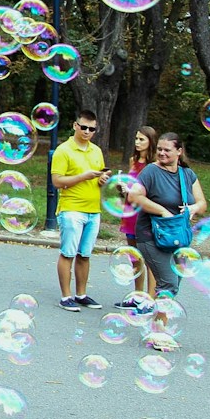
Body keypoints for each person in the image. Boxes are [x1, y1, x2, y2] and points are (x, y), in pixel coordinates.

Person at [128, 132, 207, 350]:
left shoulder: (187, 174)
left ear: (179, 152)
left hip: (178, 237)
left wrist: (193, 208)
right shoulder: (151, 171)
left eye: (167, 150)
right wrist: (161, 210)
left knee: (172, 285)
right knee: (168, 282)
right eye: (160, 149)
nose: (162, 153)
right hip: (150, 236)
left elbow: (202, 203)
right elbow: (134, 196)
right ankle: (158, 334)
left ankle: (158, 326)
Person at [51, 110, 108, 311]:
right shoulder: (63, 150)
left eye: (91, 129)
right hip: (71, 209)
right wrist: (84, 176)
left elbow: (98, 177)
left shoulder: (96, 151)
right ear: (75, 125)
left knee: (85, 254)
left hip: (93, 210)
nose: (87, 131)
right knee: (68, 253)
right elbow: (57, 182)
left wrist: (101, 180)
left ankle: (81, 294)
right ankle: (66, 296)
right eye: (83, 127)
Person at [114, 125, 158, 312]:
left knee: (149, 257)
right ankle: (137, 296)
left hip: (145, 214)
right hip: (130, 212)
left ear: (151, 141)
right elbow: (131, 186)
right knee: (134, 256)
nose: (137, 142)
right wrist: (121, 188)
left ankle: (150, 299)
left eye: (142, 139)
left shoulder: (155, 164)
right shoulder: (134, 160)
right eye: (136, 139)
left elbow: (154, 190)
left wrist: (132, 191)